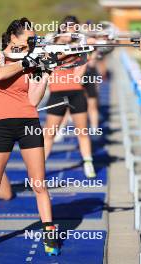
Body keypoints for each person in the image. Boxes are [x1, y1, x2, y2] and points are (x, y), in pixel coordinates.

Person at [0, 17, 59, 256]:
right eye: (29, 37)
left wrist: (44, 73)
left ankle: (49, 233)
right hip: (0, 126)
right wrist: (27, 61)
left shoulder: (32, 62)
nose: (33, 41)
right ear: (13, 37)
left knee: (39, 183)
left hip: (28, 123)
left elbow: (33, 100)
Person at [44, 15, 96, 178]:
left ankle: (88, 162)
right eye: (69, 29)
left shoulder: (78, 46)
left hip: (75, 92)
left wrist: (87, 51)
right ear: (62, 28)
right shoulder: (50, 43)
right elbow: (47, 62)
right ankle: (38, 169)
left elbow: (78, 76)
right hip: (56, 93)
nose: (71, 33)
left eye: (75, 30)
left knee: (82, 131)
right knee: (49, 133)